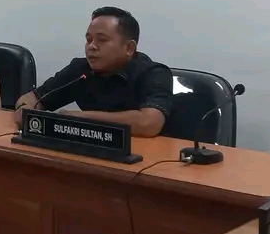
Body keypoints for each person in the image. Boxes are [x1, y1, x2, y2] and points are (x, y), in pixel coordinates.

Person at [15, 7, 172, 138]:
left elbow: (149, 123)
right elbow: (32, 98)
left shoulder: (154, 73)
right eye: (89, 39)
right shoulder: (80, 70)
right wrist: (24, 112)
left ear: (129, 48)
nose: (92, 46)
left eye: (102, 40)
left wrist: (81, 118)